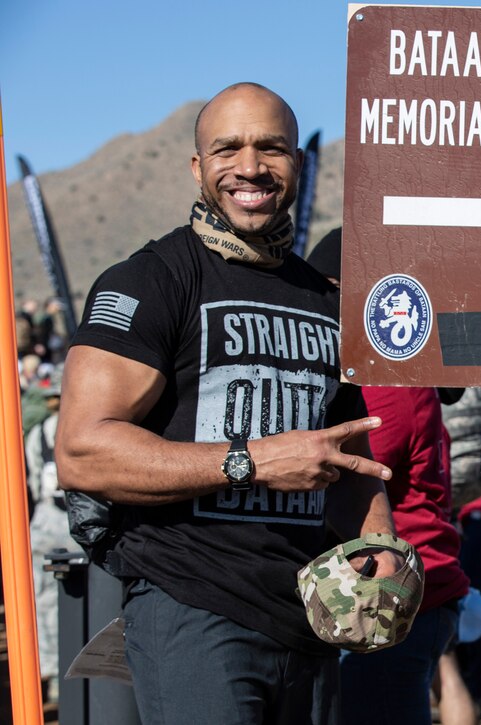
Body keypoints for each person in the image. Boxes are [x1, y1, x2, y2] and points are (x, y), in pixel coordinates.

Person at [55, 82, 399, 725]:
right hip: (193, 606)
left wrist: (380, 544)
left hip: (310, 618)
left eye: (271, 148)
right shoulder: (151, 280)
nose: (250, 167)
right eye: (228, 149)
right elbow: (82, 451)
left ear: (297, 162)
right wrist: (251, 461)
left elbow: (350, 446)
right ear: (198, 167)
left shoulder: (325, 300)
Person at [306, 228, 472, 724]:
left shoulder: (385, 381)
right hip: (406, 590)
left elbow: (355, 470)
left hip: (388, 598)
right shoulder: (392, 376)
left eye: (328, 293)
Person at [23, 372, 78, 703]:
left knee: (45, 602)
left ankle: (55, 673)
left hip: (50, 520)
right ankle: (60, 673)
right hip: (67, 520)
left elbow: (33, 481)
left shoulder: (39, 434)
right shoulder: (78, 425)